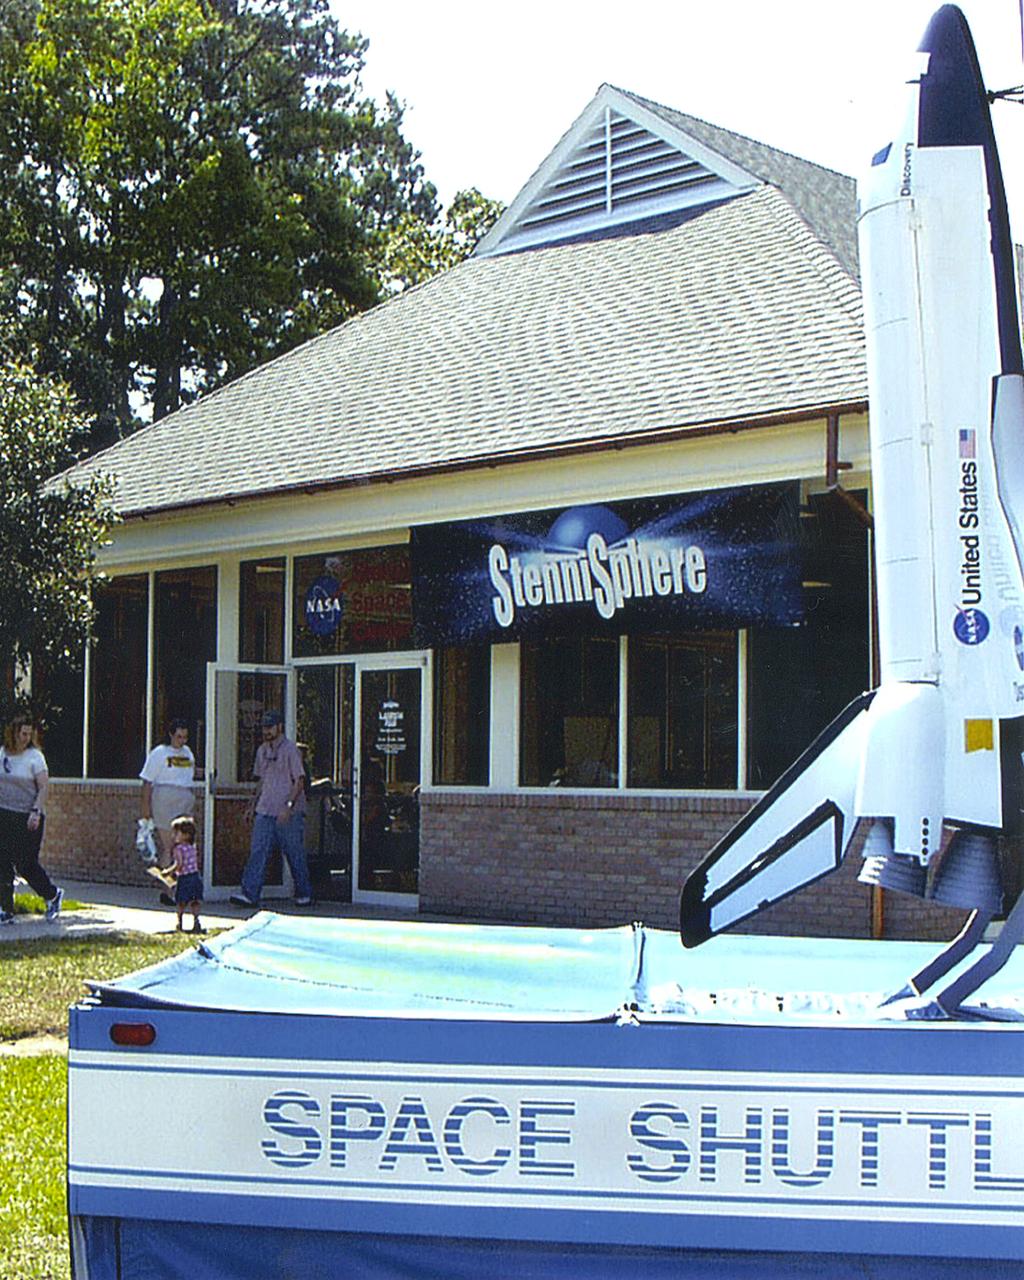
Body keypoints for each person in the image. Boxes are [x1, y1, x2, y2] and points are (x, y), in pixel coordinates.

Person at [230, 711, 313, 909]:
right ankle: (249, 894)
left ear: (279, 727)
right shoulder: (262, 751)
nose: (266, 731)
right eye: (264, 727)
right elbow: (261, 781)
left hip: (288, 813)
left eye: (270, 727)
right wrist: (252, 805)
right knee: (258, 851)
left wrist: (289, 806)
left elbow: (299, 780)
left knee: (294, 853)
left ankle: (304, 893)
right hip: (265, 810)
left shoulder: (291, 750)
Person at [0, 713, 63, 924]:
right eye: (22, 733)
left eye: (29, 734)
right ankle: (5, 908)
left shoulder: (35, 757)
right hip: (5, 813)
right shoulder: (3, 753)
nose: (25, 738)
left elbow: (44, 787)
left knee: (25, 864)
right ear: (13, 733)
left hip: (28, 816)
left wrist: (36, 811)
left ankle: (52, 895)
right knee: (2, 862)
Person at [139, 719, 196, 903]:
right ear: (171, 735)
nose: (182, 741)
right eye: (179, 736)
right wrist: (146, 811)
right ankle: (167, 890)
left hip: (184, 797)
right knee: (169, 846)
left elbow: (188, 774)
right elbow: (147, 782)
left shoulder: (187, 753)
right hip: (164, 798)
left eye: (185, 737)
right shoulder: (159, 753)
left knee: (185, 846)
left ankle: (182, 888)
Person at [168, 815, 203, 934]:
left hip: (184, 878)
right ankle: (196, 921)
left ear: (186, 835)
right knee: (195, 901)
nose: (174, 836)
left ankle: (180, 922)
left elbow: (179, 864)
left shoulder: (178, 849)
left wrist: (168, 872)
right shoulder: (192, 847)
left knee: (181, 902)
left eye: (176, 833)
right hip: (195, 877)